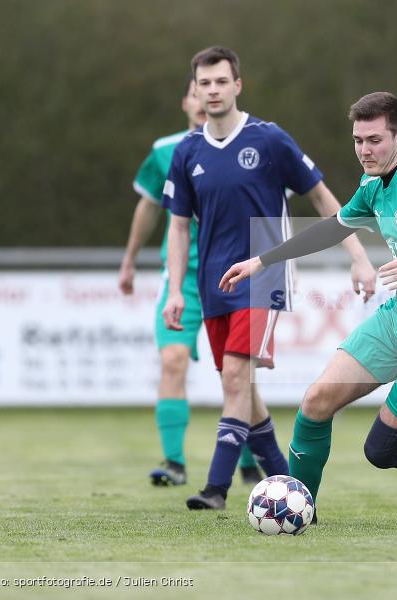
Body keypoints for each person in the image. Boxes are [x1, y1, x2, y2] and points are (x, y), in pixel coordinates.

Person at [219, 92, 397, 512]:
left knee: (383, 451)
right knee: (316, 401)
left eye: (375, 140)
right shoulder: (372, 183)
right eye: (358, 140)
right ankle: (297, 509)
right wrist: (262, 260)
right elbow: (334, 228)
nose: (365, 150)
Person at [162, 47, 376, 510]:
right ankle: (289, 486)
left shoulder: (270, 139)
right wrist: (175, 290)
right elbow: (179, 228)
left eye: (222, 81)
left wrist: (358, 256)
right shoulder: (187, 151)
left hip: (266, 274)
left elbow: (323, 199)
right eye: (205, 83)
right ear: (195, 91)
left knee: (237, 377)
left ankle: (216, 488)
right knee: (243, 391)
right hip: (214, 283)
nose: (213, 90)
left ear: (238, 86)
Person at [118, 75, 264, 487]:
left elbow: (272, 208)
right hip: (183, 280)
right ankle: (174, 462)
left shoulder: (253, 145)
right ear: (187, 101)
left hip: (237, 278)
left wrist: (271, 268)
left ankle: (249, 462)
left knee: (238, 375)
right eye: (198, 90)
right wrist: (129, 261)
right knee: (172, 359)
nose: (205, 97)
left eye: (214, 88)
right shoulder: (167, 151)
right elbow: (148, 208)